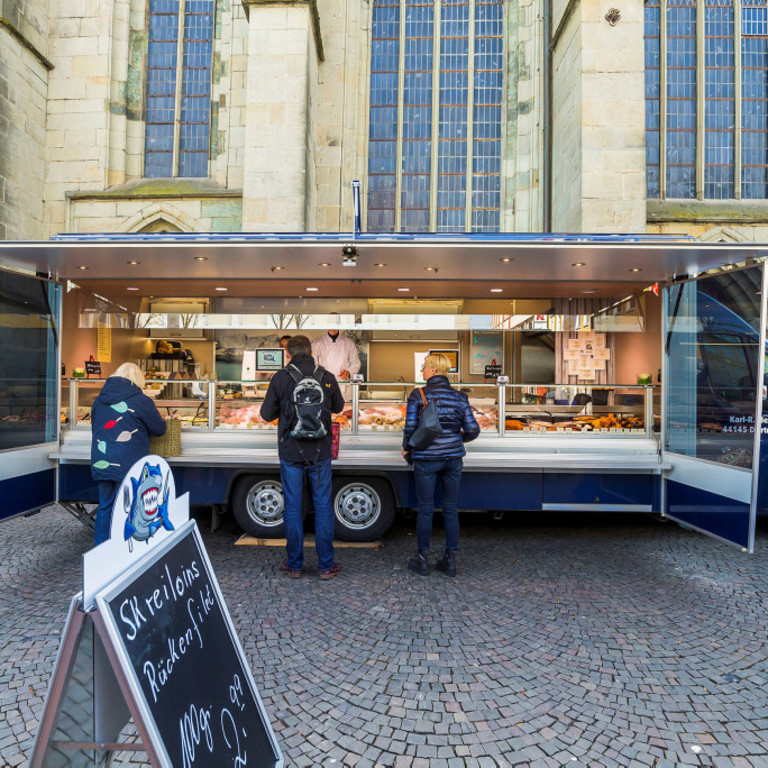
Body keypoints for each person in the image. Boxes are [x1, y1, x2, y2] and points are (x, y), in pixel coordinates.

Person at [260, 335, 345, 580]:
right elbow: (339, 407)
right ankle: (326, 565)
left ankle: (294, 565)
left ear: (289, 353)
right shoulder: (326, 376)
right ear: (311, 351)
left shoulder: (281, 377)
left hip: (290, 452)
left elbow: (266, 414)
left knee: (294, 507)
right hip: (320, 451)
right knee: (322, 506)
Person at [401, 353, 480, 577]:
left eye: (424, 367)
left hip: (426, 459)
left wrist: (407, 448)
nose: (422, 371)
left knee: (425, 509)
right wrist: (456, 440)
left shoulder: (418, 395)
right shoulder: (460, 397)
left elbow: (410, 428)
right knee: (450, 508)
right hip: (453, 460)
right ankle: (450, 561)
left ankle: (422, 560)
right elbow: (473, 429)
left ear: (434, 370)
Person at [90, 362, 167, 546]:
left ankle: (101, 550)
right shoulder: (140, 400)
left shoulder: (99, 399)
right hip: (128, 464)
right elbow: (160, 429)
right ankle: (124, 550)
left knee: (105, 507)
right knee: (130, 508)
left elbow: (95, 425)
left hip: (103, 460)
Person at [311, 313, 361, 400]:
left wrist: (348, 372)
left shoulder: (348, 342)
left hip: (343, 387)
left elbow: (356, 363)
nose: (333, 325)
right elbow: (313, 366)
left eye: (336, 322)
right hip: (324, 386)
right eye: (331, 322)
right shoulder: (317, 343)